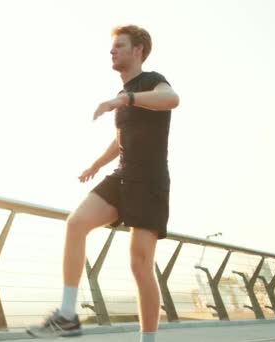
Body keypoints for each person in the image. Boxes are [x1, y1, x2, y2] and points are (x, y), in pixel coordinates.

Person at [26, 25, 180, 342]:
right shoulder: (125, 97)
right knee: (77, 223)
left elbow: (172, 99)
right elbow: (122, 139)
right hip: (122, 175)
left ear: (137, 50)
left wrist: (126, 99)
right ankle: (68, 315)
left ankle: (147, 340)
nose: (112, 51)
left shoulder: (151, 81)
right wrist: (96, 165)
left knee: (139, 264)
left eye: (119, 46)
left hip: (150, 180)